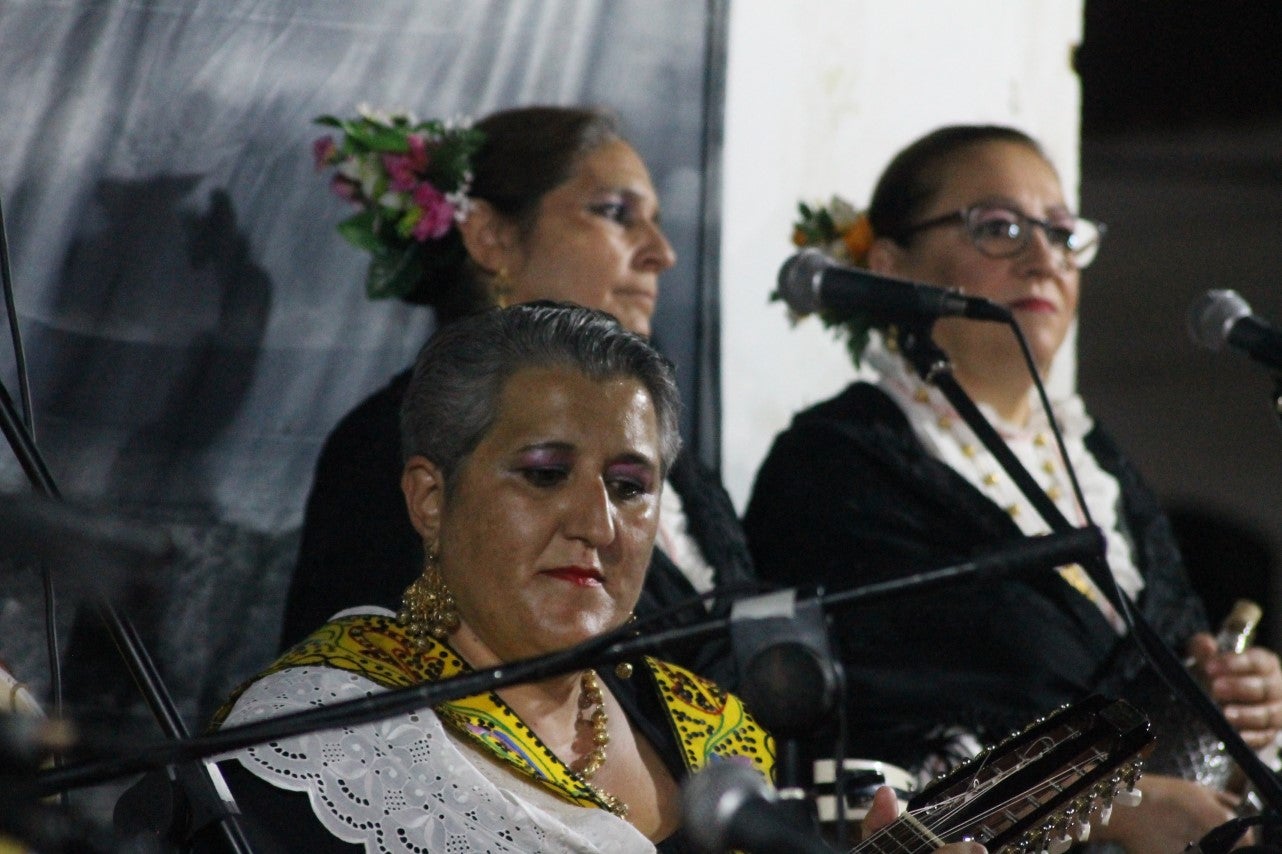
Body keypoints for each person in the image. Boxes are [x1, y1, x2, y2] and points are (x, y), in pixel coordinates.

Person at [744, 124, 1282, 852]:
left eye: (1062, 233)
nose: (1043, 258)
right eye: (998, 227)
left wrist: (1240, 700)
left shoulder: (1096, 459)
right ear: (892, 267)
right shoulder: (836, 465)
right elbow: (850, 754)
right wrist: (1118, 803)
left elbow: (1180, 654)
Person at [213, 304, 773, 852]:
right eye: (546, 475)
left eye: (629, 487)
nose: (597, 526)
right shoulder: (319, 742)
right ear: (431, 499)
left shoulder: (710, 729)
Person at [282, 106, 756, 684]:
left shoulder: (685, 474)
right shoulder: (390, 443)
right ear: (492, 237)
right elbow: (354, 702)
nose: (661, 252)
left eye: (629, 488)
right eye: (615, 213)